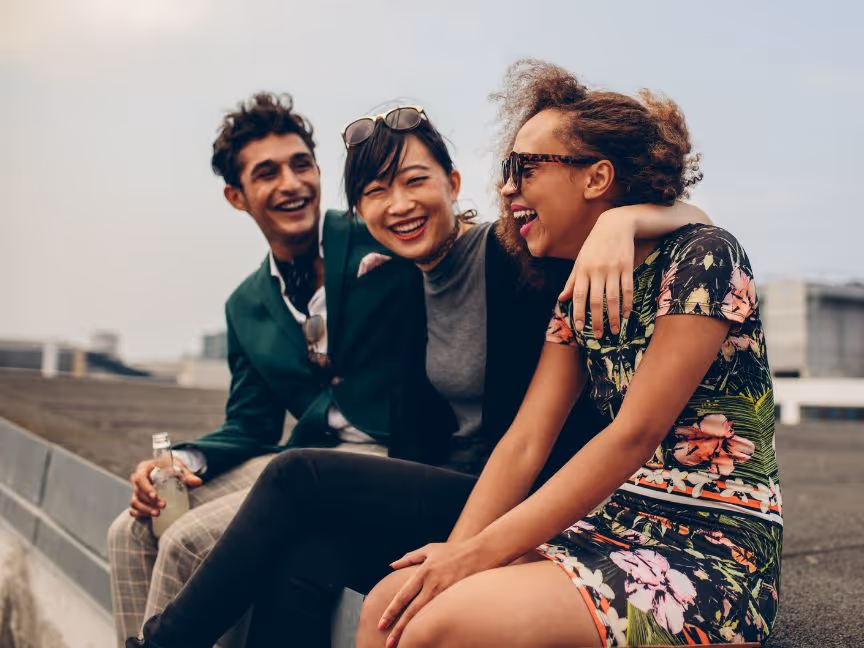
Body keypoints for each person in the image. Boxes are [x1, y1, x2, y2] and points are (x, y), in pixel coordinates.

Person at [126, 97, 712, 647]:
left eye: (414, 181)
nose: (399, 204)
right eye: (376, 192)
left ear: (453, 184)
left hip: (528, 498)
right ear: (358, 214)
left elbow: (684, 227)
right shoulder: (395, 278)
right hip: (452, 487)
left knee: (296, 475)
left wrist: (622, 222)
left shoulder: (520, 254)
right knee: (305, 554)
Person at [356, 60, 782, 648]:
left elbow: (633, 435)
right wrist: (453, 556)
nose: (507, 188)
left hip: (710, 548)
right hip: (614, 522)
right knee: (391, 603)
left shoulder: (703, 257)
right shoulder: (576, 289)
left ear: (596, 177)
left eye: (524, 168)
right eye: (507, 171)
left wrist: (475, 557)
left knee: (433, 625)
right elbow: (525, 441)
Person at [106, 91, 446, 646]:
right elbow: (251, 424)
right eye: (268, 173)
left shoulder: (384, 227)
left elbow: (452, 233)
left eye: (301, 165)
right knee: (132, 528)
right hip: (302, 456)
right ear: (236, 196)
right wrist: (180, 459)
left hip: (388, 456)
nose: (292, 183)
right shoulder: (244, 305)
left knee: (187, 541)